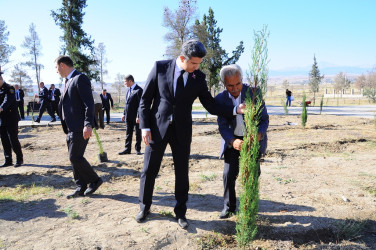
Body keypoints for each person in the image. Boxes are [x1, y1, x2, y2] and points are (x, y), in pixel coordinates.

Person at [136, 40, 245, 229]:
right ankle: (144, 207)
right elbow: (145, 100)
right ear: (182, 58)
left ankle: (180, 213)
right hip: (157, 129)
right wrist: (145, 127)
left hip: (182, 131)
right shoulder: (160, 67)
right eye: (193, 63)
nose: (196, 68)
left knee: (182, 172)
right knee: (149, 170)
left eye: (199, 64)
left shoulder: (198, 78)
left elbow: (211, 105)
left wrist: (235, 110)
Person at [214, 64, 269, 219]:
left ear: (242, 80)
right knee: (228, 174)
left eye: (238, 84)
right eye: (230, 85)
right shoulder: (221, 99)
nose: (235, 88)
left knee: (252, 173)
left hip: (252, 140)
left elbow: (264, 119)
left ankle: (249, 205)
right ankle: (229, 207)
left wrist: (259, 133)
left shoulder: (253, 93)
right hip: (233, 141)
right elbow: (222, 126)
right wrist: (232, 141)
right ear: (224, 84)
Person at [55, 55, 103, 199]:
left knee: (75, 156)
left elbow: (89, 104)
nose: (56, 71)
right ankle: (80, 187)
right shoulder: (67, 81)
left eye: (56, 67)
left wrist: (88, 124)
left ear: (62, 65)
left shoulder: (80, 78)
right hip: (70, 127)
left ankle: (95, 180)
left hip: (80, 126)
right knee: (73, 158)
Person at [0, 67, 23, 167]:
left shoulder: (10, 88)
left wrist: (1, 108)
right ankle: (8, 159)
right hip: (2, 119)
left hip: (11, 119)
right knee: (4, 140)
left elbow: (7, 100)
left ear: (1, 79)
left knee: (13, 139)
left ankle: (19, 159)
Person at [119, 74, 143, 155]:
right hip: (128, 116)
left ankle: (138, 149)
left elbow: (141, 105)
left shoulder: (139, 90)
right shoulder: (128, 90)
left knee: (137, 133)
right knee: (128, 133)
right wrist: (124, 114)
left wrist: (138, 116)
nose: (125, 83)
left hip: (136, 117)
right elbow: (126, 103)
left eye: (125, 82)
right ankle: (127, 149)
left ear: (130, 81)